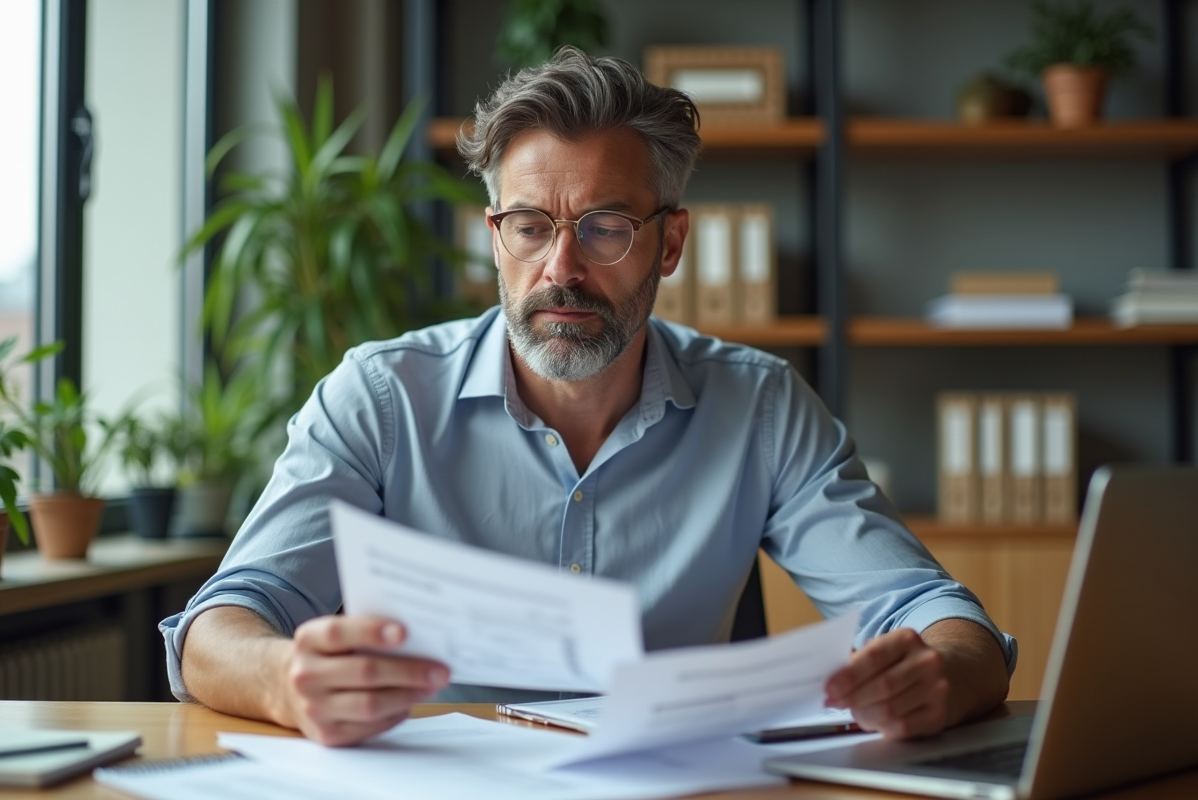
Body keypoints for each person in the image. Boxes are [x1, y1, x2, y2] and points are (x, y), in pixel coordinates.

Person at [163, 47, 1015, 748]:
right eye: (531, 226)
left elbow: (938, 616)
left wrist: (936, 677)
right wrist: (286, 679)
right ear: (493, 236)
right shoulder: (381, 398)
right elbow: (223, 623)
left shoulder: (760, 407)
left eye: (605, 226)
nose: (560, 270)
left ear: (669, 242)